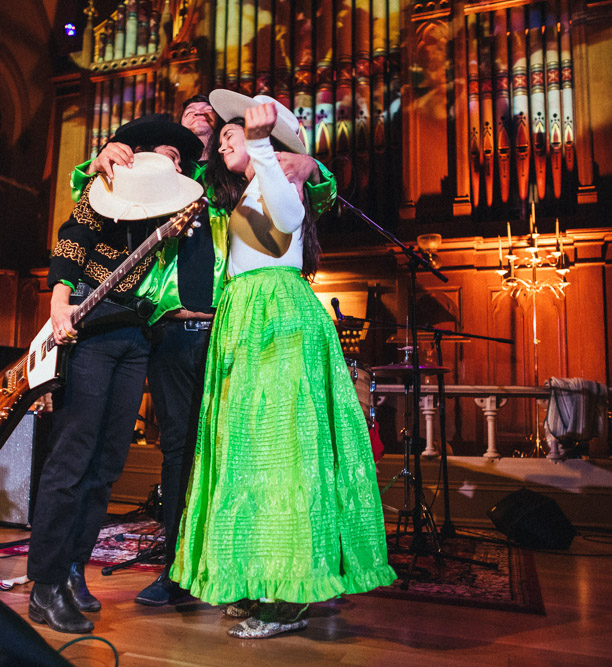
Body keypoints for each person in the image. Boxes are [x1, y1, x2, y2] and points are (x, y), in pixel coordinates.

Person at [69, 97, 339, 608]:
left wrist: (312, 162)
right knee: (180, 455)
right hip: (175, 332)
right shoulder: (178, 182)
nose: (205, 127)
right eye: (194, 120)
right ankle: (179, 571)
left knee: (238, 454)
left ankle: (249, 569)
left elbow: (312, 194)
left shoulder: (254, 180)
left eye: (214, 125)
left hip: (236, 330)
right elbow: (97, 189)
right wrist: (101, 154)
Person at [169, 91, 395, 639]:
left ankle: (288, 596)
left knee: (283, 452)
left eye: (233, 133)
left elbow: (292, 214)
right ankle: (261, 579)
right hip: (241, 317)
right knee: (247, 454)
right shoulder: (238, 192)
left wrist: (267, 144)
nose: (225, 137)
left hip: (275, 314)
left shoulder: (280, 177)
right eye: (223, 134)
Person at [26, 148, 203, 635]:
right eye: (160, 152)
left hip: (137, 339)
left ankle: (70, 571)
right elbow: (71, 240)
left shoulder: (174, 212)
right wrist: (59, 302)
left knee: (106, 465)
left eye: (177, 158)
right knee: (72, 455)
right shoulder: (99, 190)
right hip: (90, 331)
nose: (170, 161)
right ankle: (43, 585)